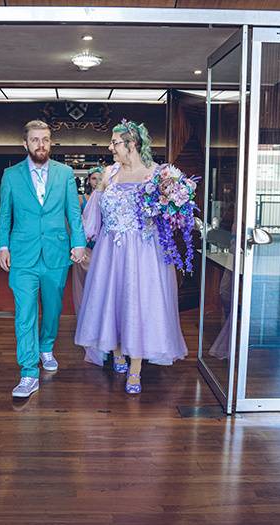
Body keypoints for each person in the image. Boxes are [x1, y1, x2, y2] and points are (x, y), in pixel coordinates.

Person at [74, 120, 187, 394]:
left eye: (115, 143)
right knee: (110, 301)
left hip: (144, 253)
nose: (111, 148)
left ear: (132, 145)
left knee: (138, 303)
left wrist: (173, 204)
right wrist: (80, 243)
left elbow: (170, 214)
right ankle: (117, 352)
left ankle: (135, 369)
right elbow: (93, 213)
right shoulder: (108, 175)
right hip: (110, 251)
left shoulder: (157, 175)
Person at [0, 120, 87, 399]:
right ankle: (28, 372)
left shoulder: (65, 173)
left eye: (45, 139)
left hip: (56, 253)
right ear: (25, 144)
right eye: (35, 140)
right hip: (23, 255)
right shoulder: (10, 175)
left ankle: (46, 345)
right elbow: (5, 216)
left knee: (53, 307)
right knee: (24, 313)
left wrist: (79, 243)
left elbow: (73, 212)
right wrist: (3, 246)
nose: (41, 145)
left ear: (50, 143)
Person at [71, 166, 104, 315]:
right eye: (94, 178)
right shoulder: (81, 199)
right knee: (82, 283)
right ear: (89, 180)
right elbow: (75, 222)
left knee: (101, 284)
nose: (97, 181)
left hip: (102, 247)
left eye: (100, 178)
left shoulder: (108, 198)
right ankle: (83, 315)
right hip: (86, 247)